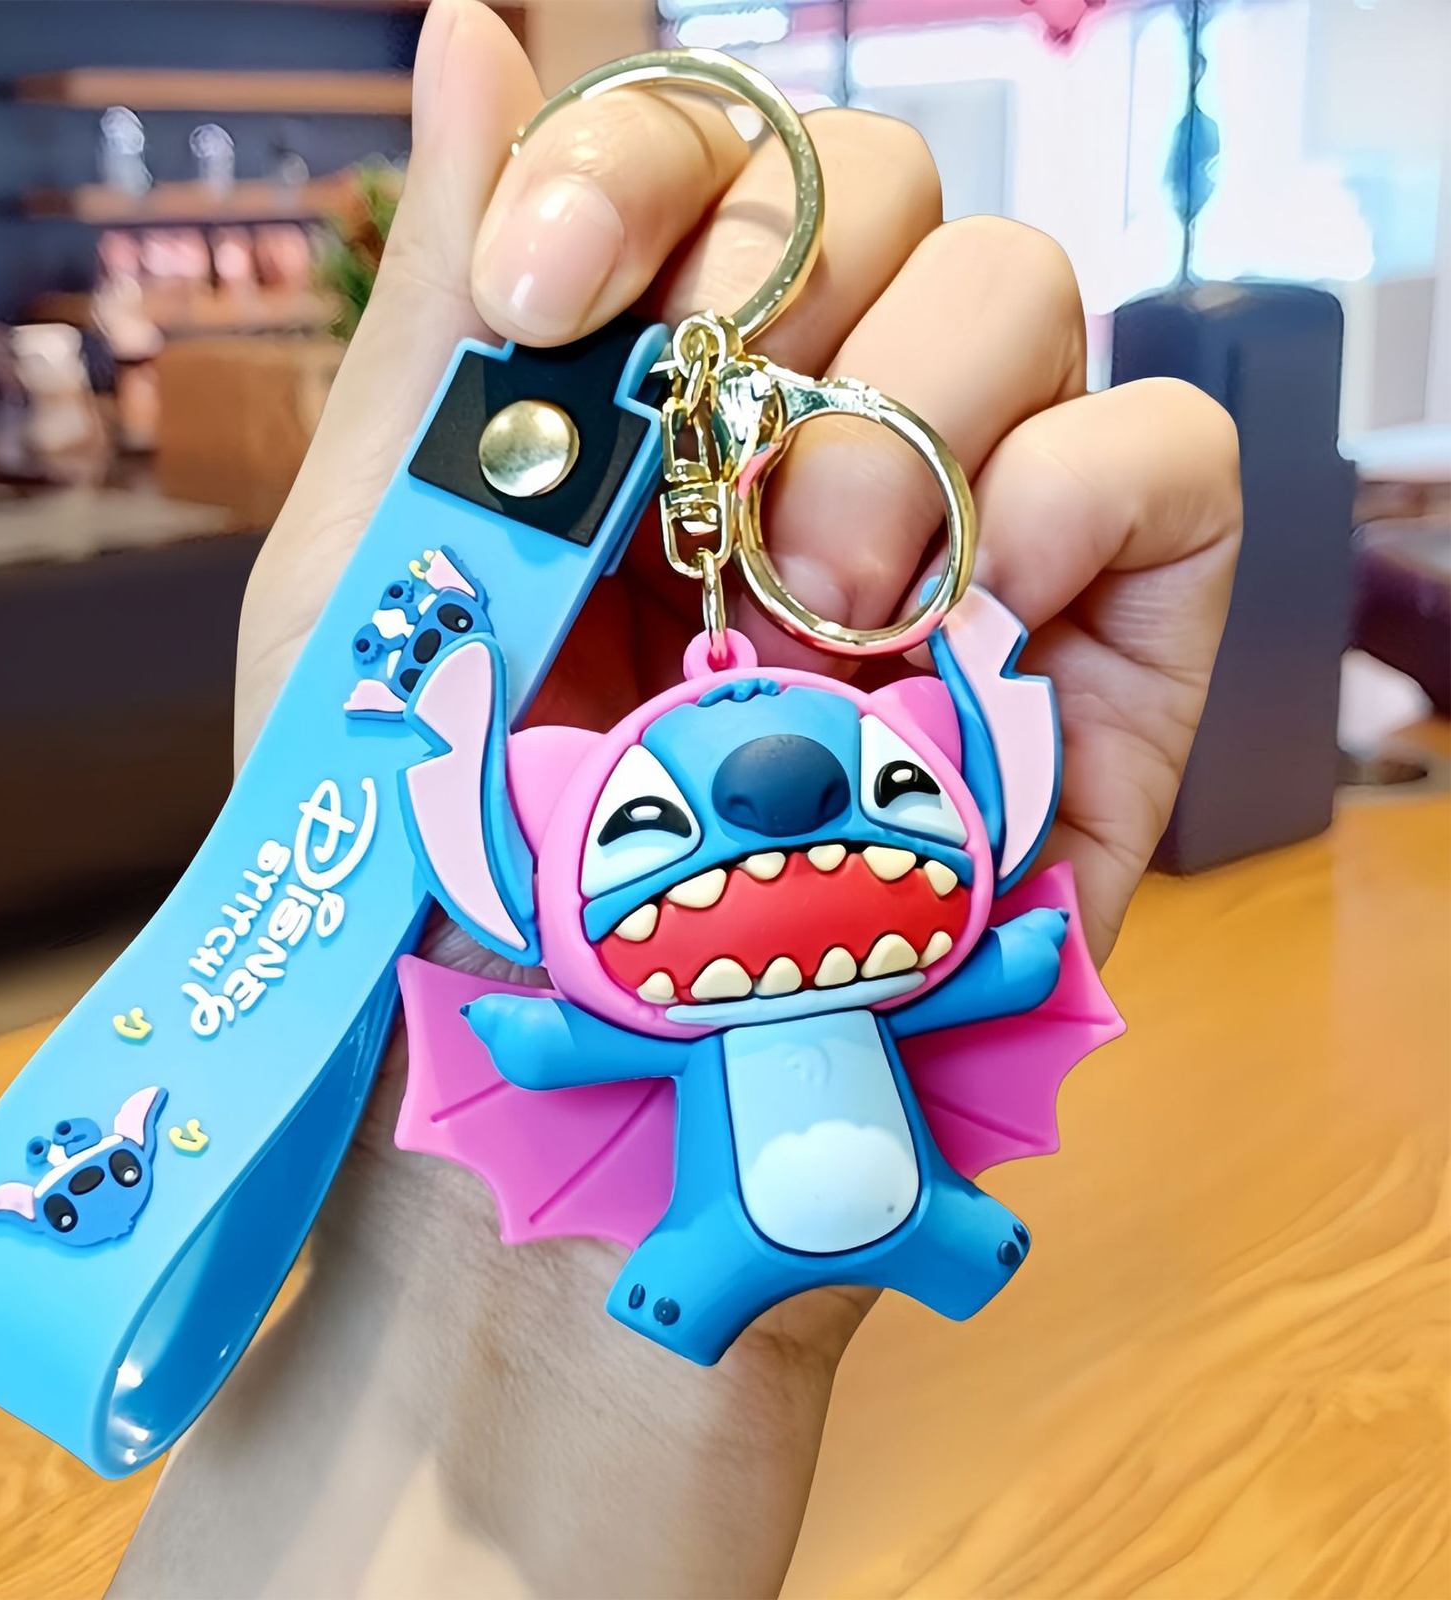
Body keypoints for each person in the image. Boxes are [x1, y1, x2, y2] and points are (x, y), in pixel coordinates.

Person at [113, 2, 1240, 1594]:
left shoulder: (900, 862)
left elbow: (995, 962)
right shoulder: (546, 888)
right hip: (624, 1211)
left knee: (915, 1212)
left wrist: (1012, 890)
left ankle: (917, 1243)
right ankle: (699, 1278)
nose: (783, 810)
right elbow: (549, 1035)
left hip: (815, 1206)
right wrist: (451, 1287)